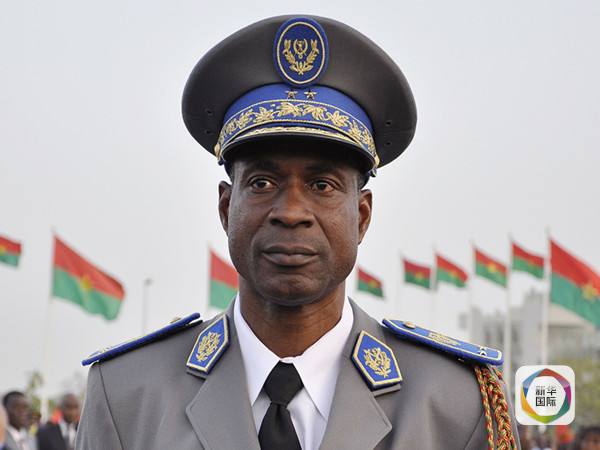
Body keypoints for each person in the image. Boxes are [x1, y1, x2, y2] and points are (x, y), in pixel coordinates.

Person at [76, 15, 519, 450]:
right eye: (262, 183)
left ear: (362, 216)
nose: (290, 212)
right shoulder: (126, 395)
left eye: (322, 185)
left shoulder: (455, 403)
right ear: (226, 207)